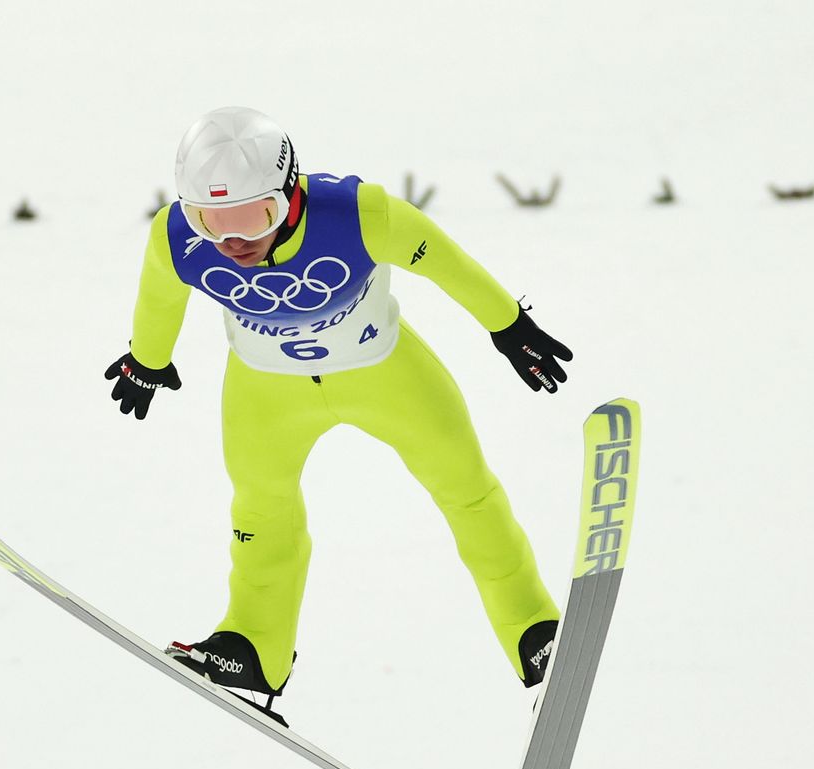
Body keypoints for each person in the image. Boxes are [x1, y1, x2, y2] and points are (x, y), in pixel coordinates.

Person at [105, 105, 572, 710]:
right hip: (265, 394)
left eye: (253, 216)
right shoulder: (177, 240)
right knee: (260, 516)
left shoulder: (357, 215)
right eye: (209, 221)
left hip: (385, 374)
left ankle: (534, 632)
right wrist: (147, 358)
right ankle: (253, 647)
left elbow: (445, 261)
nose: (233, 241)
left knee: (468, 492)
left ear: (290, 191)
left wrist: (507, 324)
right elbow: (160, 294)